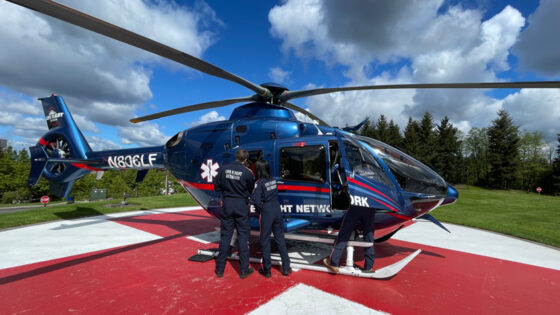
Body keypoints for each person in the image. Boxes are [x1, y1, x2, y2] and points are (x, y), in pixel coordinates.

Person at [213, 149, 255, 279]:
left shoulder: (223, 169)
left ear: (236, 157)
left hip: (227, 204)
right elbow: (250, 189)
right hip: (241, 205)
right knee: (243, 237)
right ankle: (243, 270)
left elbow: (216, 186)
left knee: (225, 236)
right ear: (245, 160)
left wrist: (225, 193)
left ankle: (220, 269)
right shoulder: (247, 172)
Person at [251, 159, 291, 278]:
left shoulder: (259, 183)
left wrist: (260, 210)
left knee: (265, 240)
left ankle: (267, 269)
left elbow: (256, 201)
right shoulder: (273, 179)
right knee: (280, 239)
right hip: (276, 209)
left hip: (267, 210)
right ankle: (286, 267)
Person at [323, 205, 376, 273]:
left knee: (344, 233)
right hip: (370, 206)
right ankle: (369, 266)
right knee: (369, 236)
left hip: (356, 204)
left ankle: (333, 262)